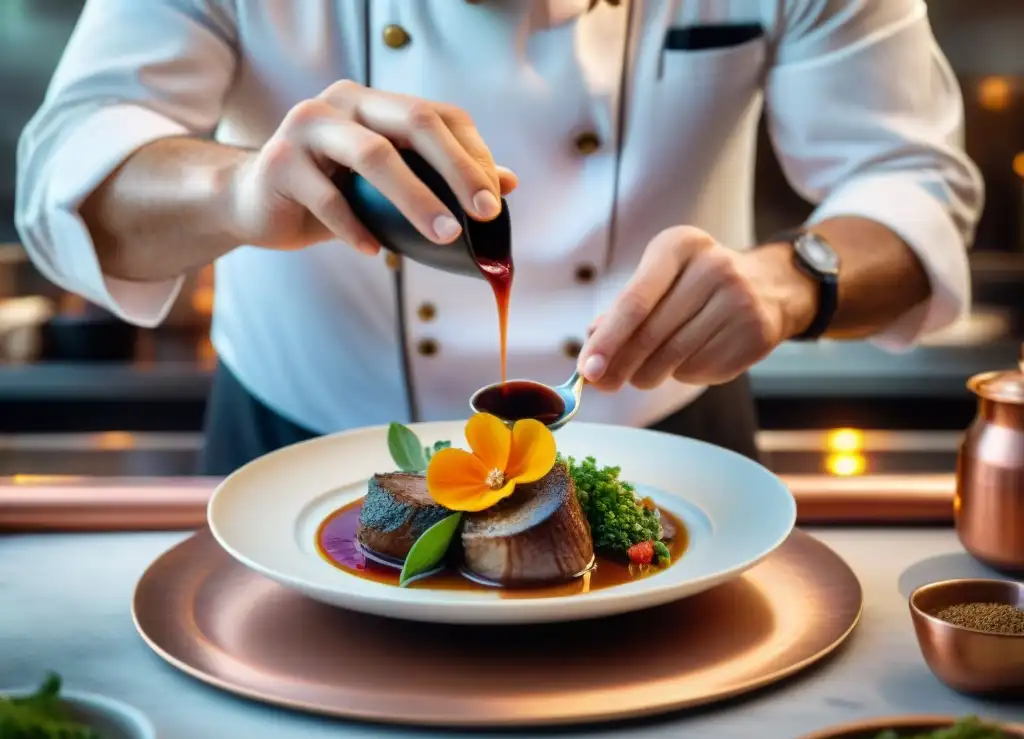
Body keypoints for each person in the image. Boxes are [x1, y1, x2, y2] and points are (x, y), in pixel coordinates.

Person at [17, 0, 983, 475]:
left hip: (671, 446)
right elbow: (69, 169)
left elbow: (913, 188)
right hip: (295, 446)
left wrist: (793, 282)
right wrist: (236, 188)